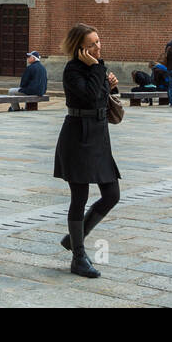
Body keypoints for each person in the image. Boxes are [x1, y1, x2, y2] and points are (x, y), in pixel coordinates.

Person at [53, 23, 120, 279]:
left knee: (112, 194)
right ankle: (78, 257)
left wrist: (111, 86)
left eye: (98, 41)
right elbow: (90, 97)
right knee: (79, 197)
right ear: (80, 47)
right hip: (78, 137)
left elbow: (102, 98)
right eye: (91, 44)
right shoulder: (73, 70)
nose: (97, 46)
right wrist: (96, 70)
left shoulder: (97, 67)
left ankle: (74, 238)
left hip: (99, 137)